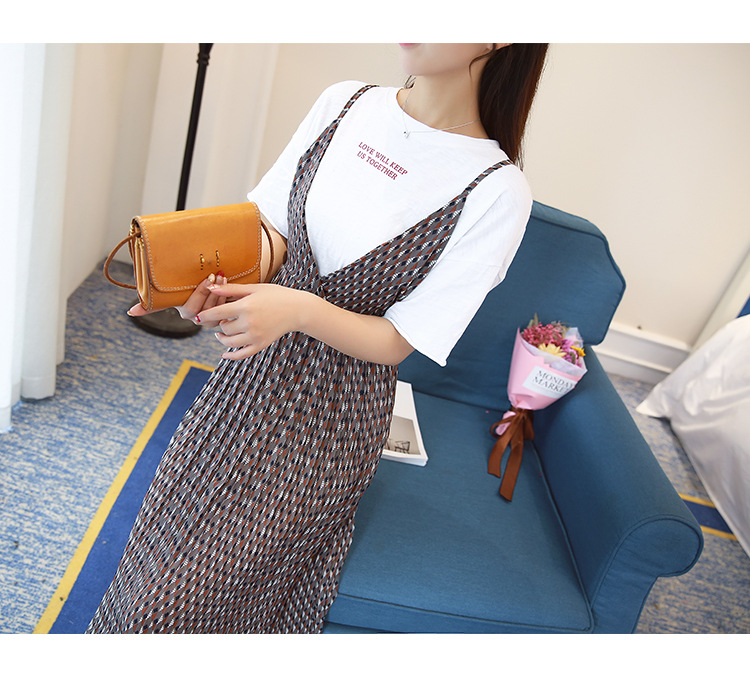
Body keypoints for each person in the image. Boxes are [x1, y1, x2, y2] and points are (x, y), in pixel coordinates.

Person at [87, 42, 549, 633]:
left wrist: (299, 310)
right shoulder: (345, 103)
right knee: (150, 567)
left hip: (328, 423)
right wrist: (210, 282)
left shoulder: (497, 191)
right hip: (242, 385)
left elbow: (398, 342)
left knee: (179, 607)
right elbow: (275, 233)